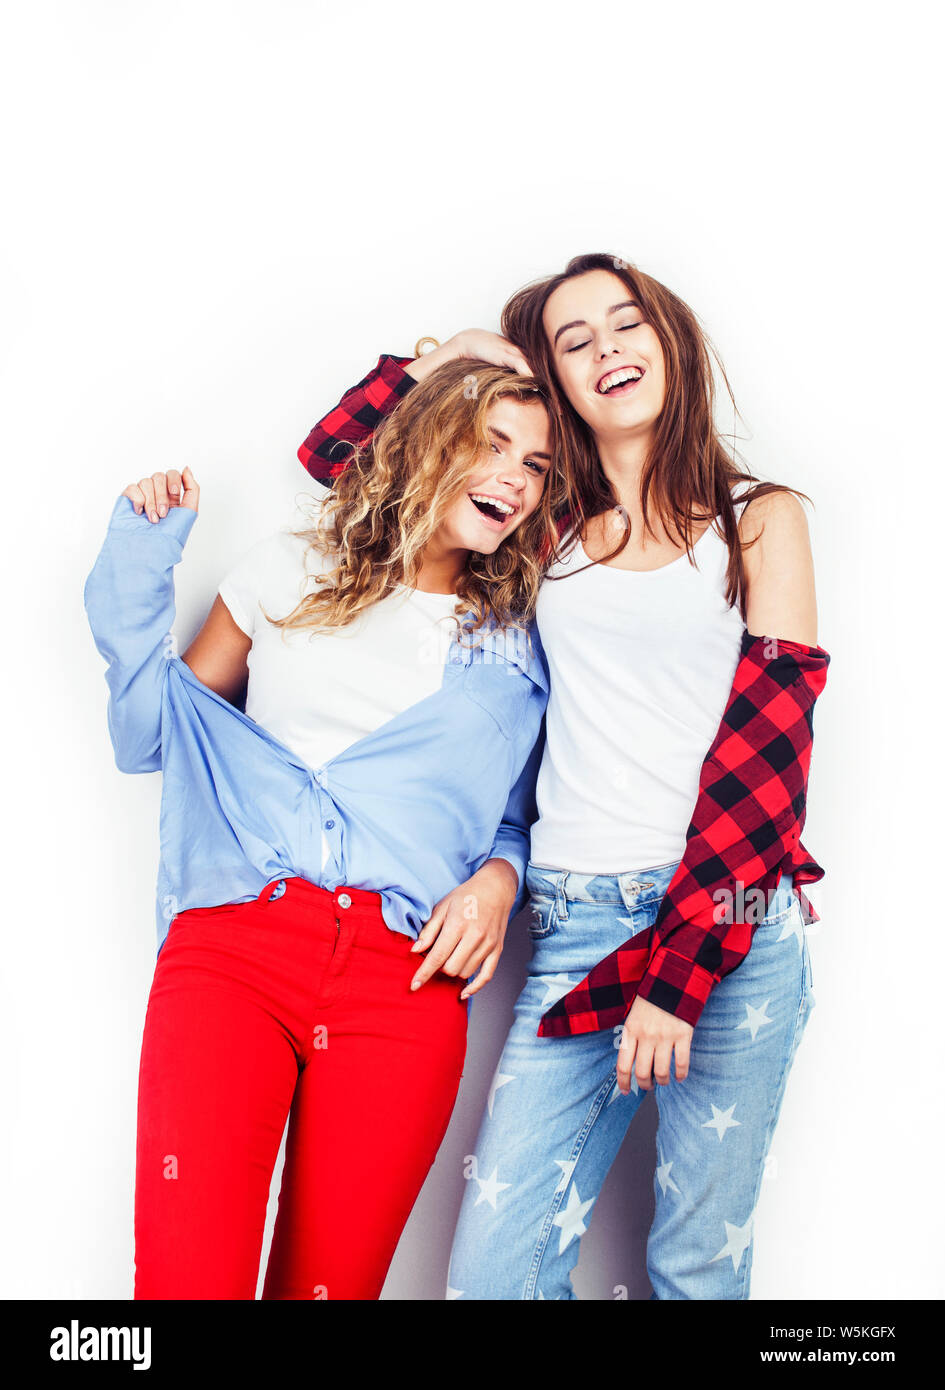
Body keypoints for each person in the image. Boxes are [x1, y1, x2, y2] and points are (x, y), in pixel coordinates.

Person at [294, 252, 831, 1299]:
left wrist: (680, 974)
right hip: (580, 924)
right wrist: (449, 358)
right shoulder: (543, 526)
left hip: (731, 926)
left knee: (696, 1265)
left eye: (627, 324)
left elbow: (768, 760)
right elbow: (338, 461)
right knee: (494, 1276)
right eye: (573, 341)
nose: (607, 350)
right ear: (555, 379)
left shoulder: (760, 519)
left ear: (671, 340)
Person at [83, 357, 563, 1299]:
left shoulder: (517, 640)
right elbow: (154, 737)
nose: (513, 476)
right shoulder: (289, 566)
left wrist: (499, 881)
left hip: (407, 980)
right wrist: (141, 562)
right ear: (426, 438)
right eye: (491, 442)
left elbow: (513, 816)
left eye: (537, 466)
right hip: (236, 953)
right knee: (187, 1282)